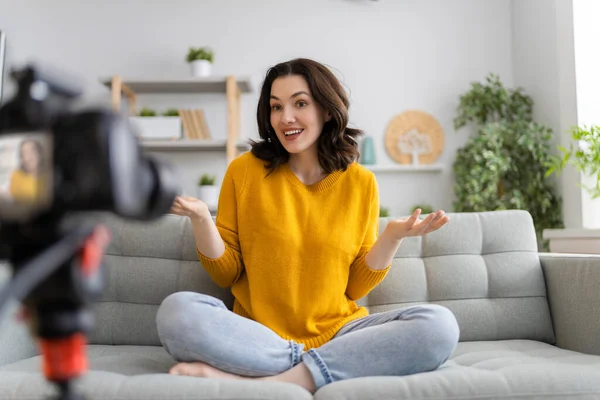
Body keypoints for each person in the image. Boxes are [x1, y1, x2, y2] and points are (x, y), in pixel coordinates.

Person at [157, 58, 460, 393]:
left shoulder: (361, 183)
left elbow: (355, 289)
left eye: (300, 103)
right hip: (259, 334)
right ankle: (319, 369)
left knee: (439, 326)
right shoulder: (243, 172)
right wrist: (202, 219)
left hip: (339, 334)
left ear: (327, 110)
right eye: (276, 107)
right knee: (176, 312)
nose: (285, 118)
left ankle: (266, 380)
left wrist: (392, 237)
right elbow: (226, 275)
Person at [8, 138, 45, 203]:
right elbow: (13, 200)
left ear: (40, 154)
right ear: (22, 158)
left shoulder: (49, 176)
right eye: (25, 152)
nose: (29, 155)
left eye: (33, 150)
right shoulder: (16, 175)